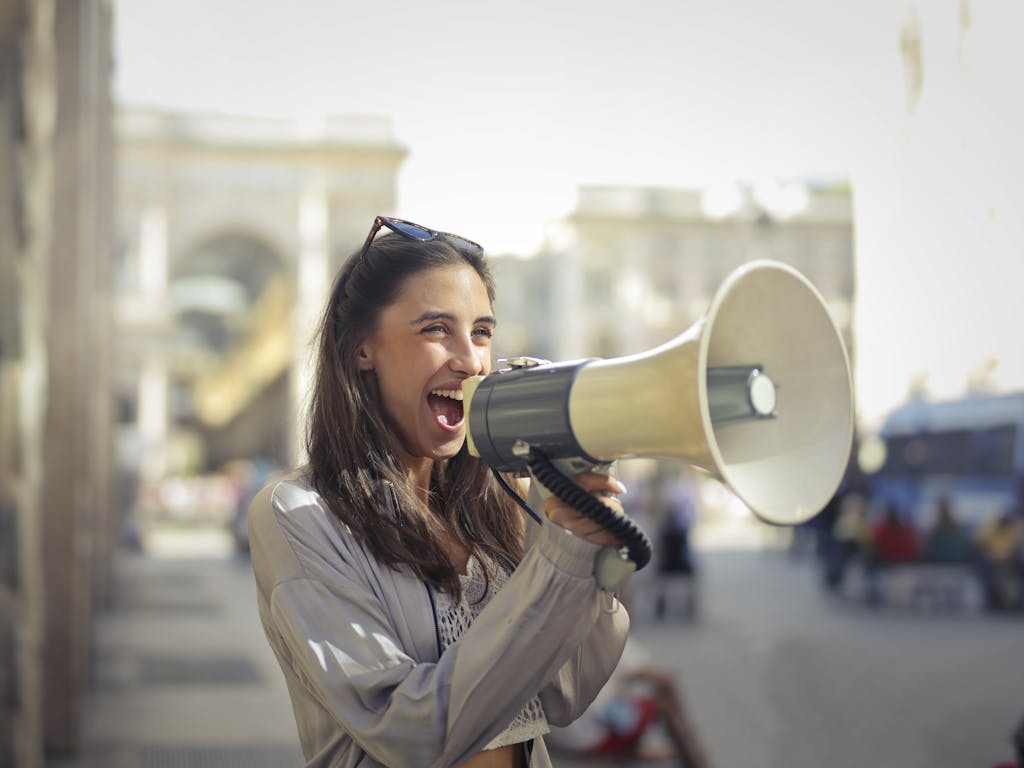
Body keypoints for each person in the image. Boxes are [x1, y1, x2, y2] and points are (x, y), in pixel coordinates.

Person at [247, 216, 631, 768]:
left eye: (481, 332)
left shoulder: (501, 499)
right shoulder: (299, 514)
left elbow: (562, 694)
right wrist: (556, 562)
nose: (471, 360)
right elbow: (408, 732)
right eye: (435, 329)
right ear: (362, 349)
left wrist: (582, 550)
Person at [546, 636, 713, 767]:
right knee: (659, 705)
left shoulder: (562, 634)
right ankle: (691, 755)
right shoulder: (614, 633)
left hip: (555, 738)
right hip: (586, 739)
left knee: (623, 706)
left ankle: (633, 752)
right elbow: (664, 680)